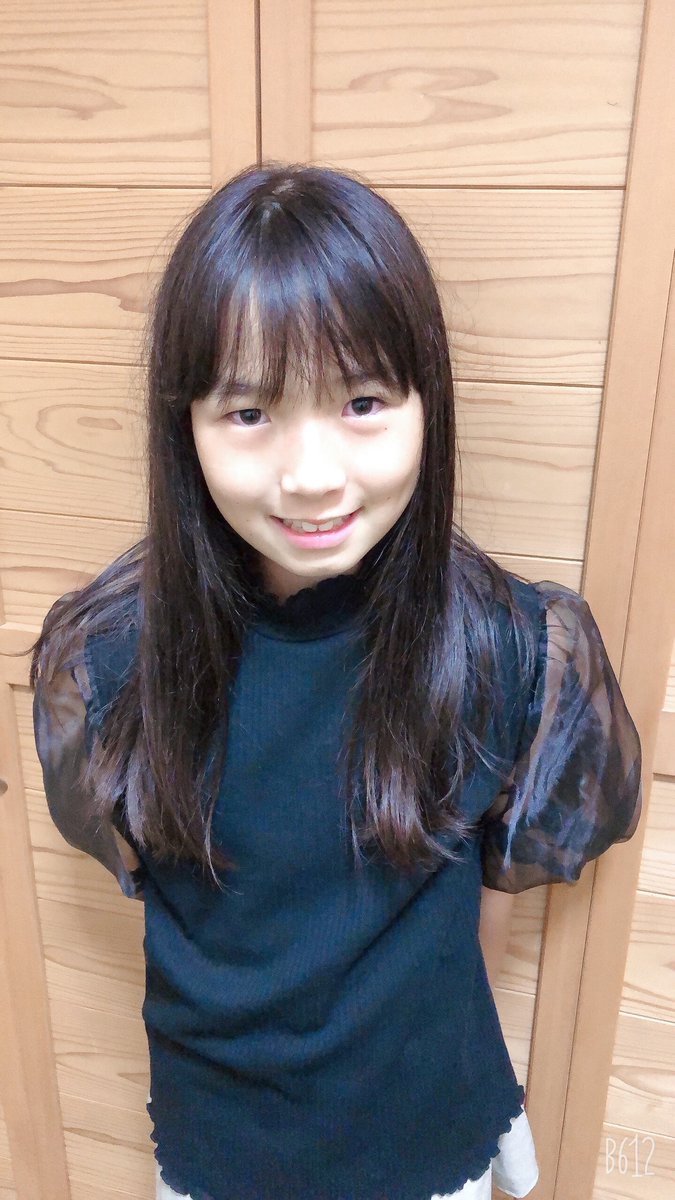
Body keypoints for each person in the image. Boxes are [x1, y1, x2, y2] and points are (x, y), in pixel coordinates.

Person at [28, 161, 643, 1200]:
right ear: (184, 423)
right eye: (249, 413)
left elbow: (494, 895)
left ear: (426, 403)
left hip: (428, 1133)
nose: (311, 476)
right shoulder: (106, 658)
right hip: (220, 1150)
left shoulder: (512, 646)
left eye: (361, 402)